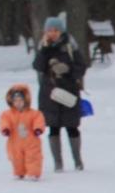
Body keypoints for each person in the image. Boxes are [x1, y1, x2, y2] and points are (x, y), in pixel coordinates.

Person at [33, 16, 87, 172]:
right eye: (49, 30)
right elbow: (38, 66)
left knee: (72, 126)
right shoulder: (43, 46)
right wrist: (44, 50)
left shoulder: (70, 45)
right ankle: (58, 163)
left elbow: (81, 66)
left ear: (61, 31)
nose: (52, 33)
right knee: (53, 127)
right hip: (49, 94)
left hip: (69, 91)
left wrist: (68, 69)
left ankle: (77, 161)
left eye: (55, 30)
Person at [0, 83, 46, 181]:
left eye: (21, 100)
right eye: (15, 101)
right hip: (15, 141)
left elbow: (39, 120)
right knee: (16, 158)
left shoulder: (34, 113)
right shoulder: (7, 114)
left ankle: (33, 173)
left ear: (26, 100)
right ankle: (19, 172)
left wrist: (38, 129)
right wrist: (5, 129)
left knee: (33, 157)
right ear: (11, 101)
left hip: (31, 141)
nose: (18, 103)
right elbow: (4, 121)